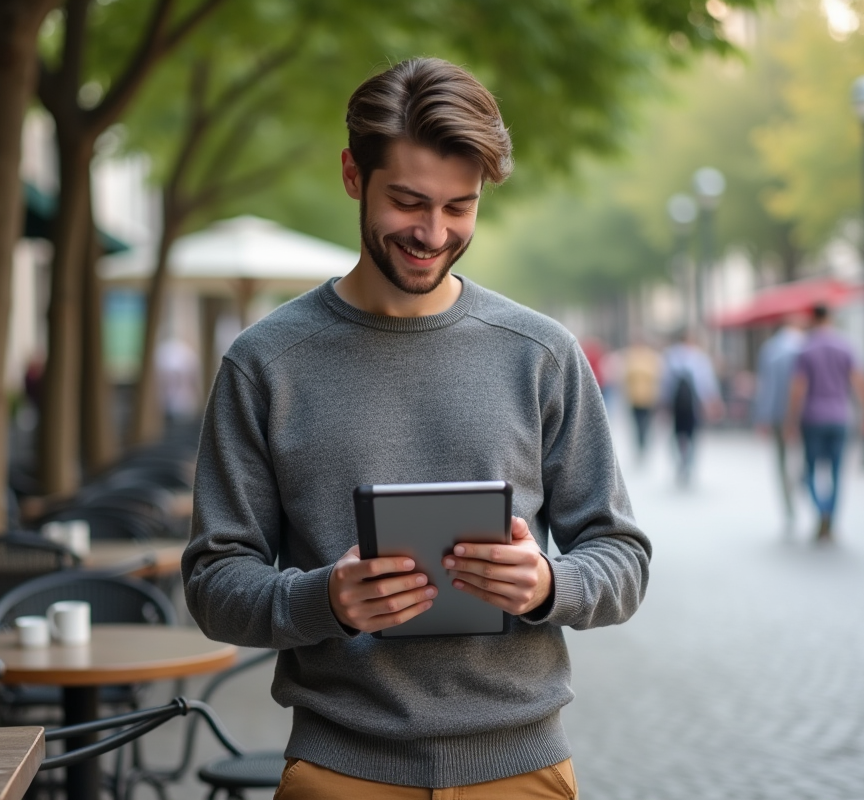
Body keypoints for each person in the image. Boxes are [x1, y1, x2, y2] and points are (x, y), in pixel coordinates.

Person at [182, 58, 650, 799]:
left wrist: (548, 583)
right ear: (351, 174)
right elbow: (212, 583)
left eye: (459, 207)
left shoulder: (541, 354)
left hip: (521, 770)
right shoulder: (264, 363)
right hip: (339, 771)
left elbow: (622, 557)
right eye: (408, 202)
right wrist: (322, 600)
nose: (434, 233)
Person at [786, 303, 864, 542]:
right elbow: (860, 383)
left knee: (809, 473)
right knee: (836, 473)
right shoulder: (846, 346)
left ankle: (822, 512)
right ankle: (831, 518)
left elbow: (798, 388)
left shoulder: (806, 349)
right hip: (840, 416)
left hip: (813, 418)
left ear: (813, 319)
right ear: (831, 318)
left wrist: (790, 420)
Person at [752, 314, 806, 525]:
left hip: (777, 414)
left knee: (781, 463)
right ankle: (802, 486)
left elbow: (766, 386)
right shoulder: (805, 346)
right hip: (803, 415)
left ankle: (789, 506)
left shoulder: (770, 348)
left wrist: (762, 416)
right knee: (805, 458)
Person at [659, 328, 722, 485]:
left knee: (677, 434)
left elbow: (665, 383)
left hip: (677, 404)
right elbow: (706, 383)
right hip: (693, 405)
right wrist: (711, 402)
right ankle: (689, 463)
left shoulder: (671, 356)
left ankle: (681, 460)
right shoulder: (699, 357)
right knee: (693, 435)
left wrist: (664, 403)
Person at [621, 334, 662, 461]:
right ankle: (639, 445)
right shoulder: (630, 355)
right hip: (633, 397)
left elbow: (656, 375)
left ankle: (644, 444)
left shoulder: (651, 356)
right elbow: (624, 375)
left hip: (648, 397)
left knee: (646, 423)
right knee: (636, 423)